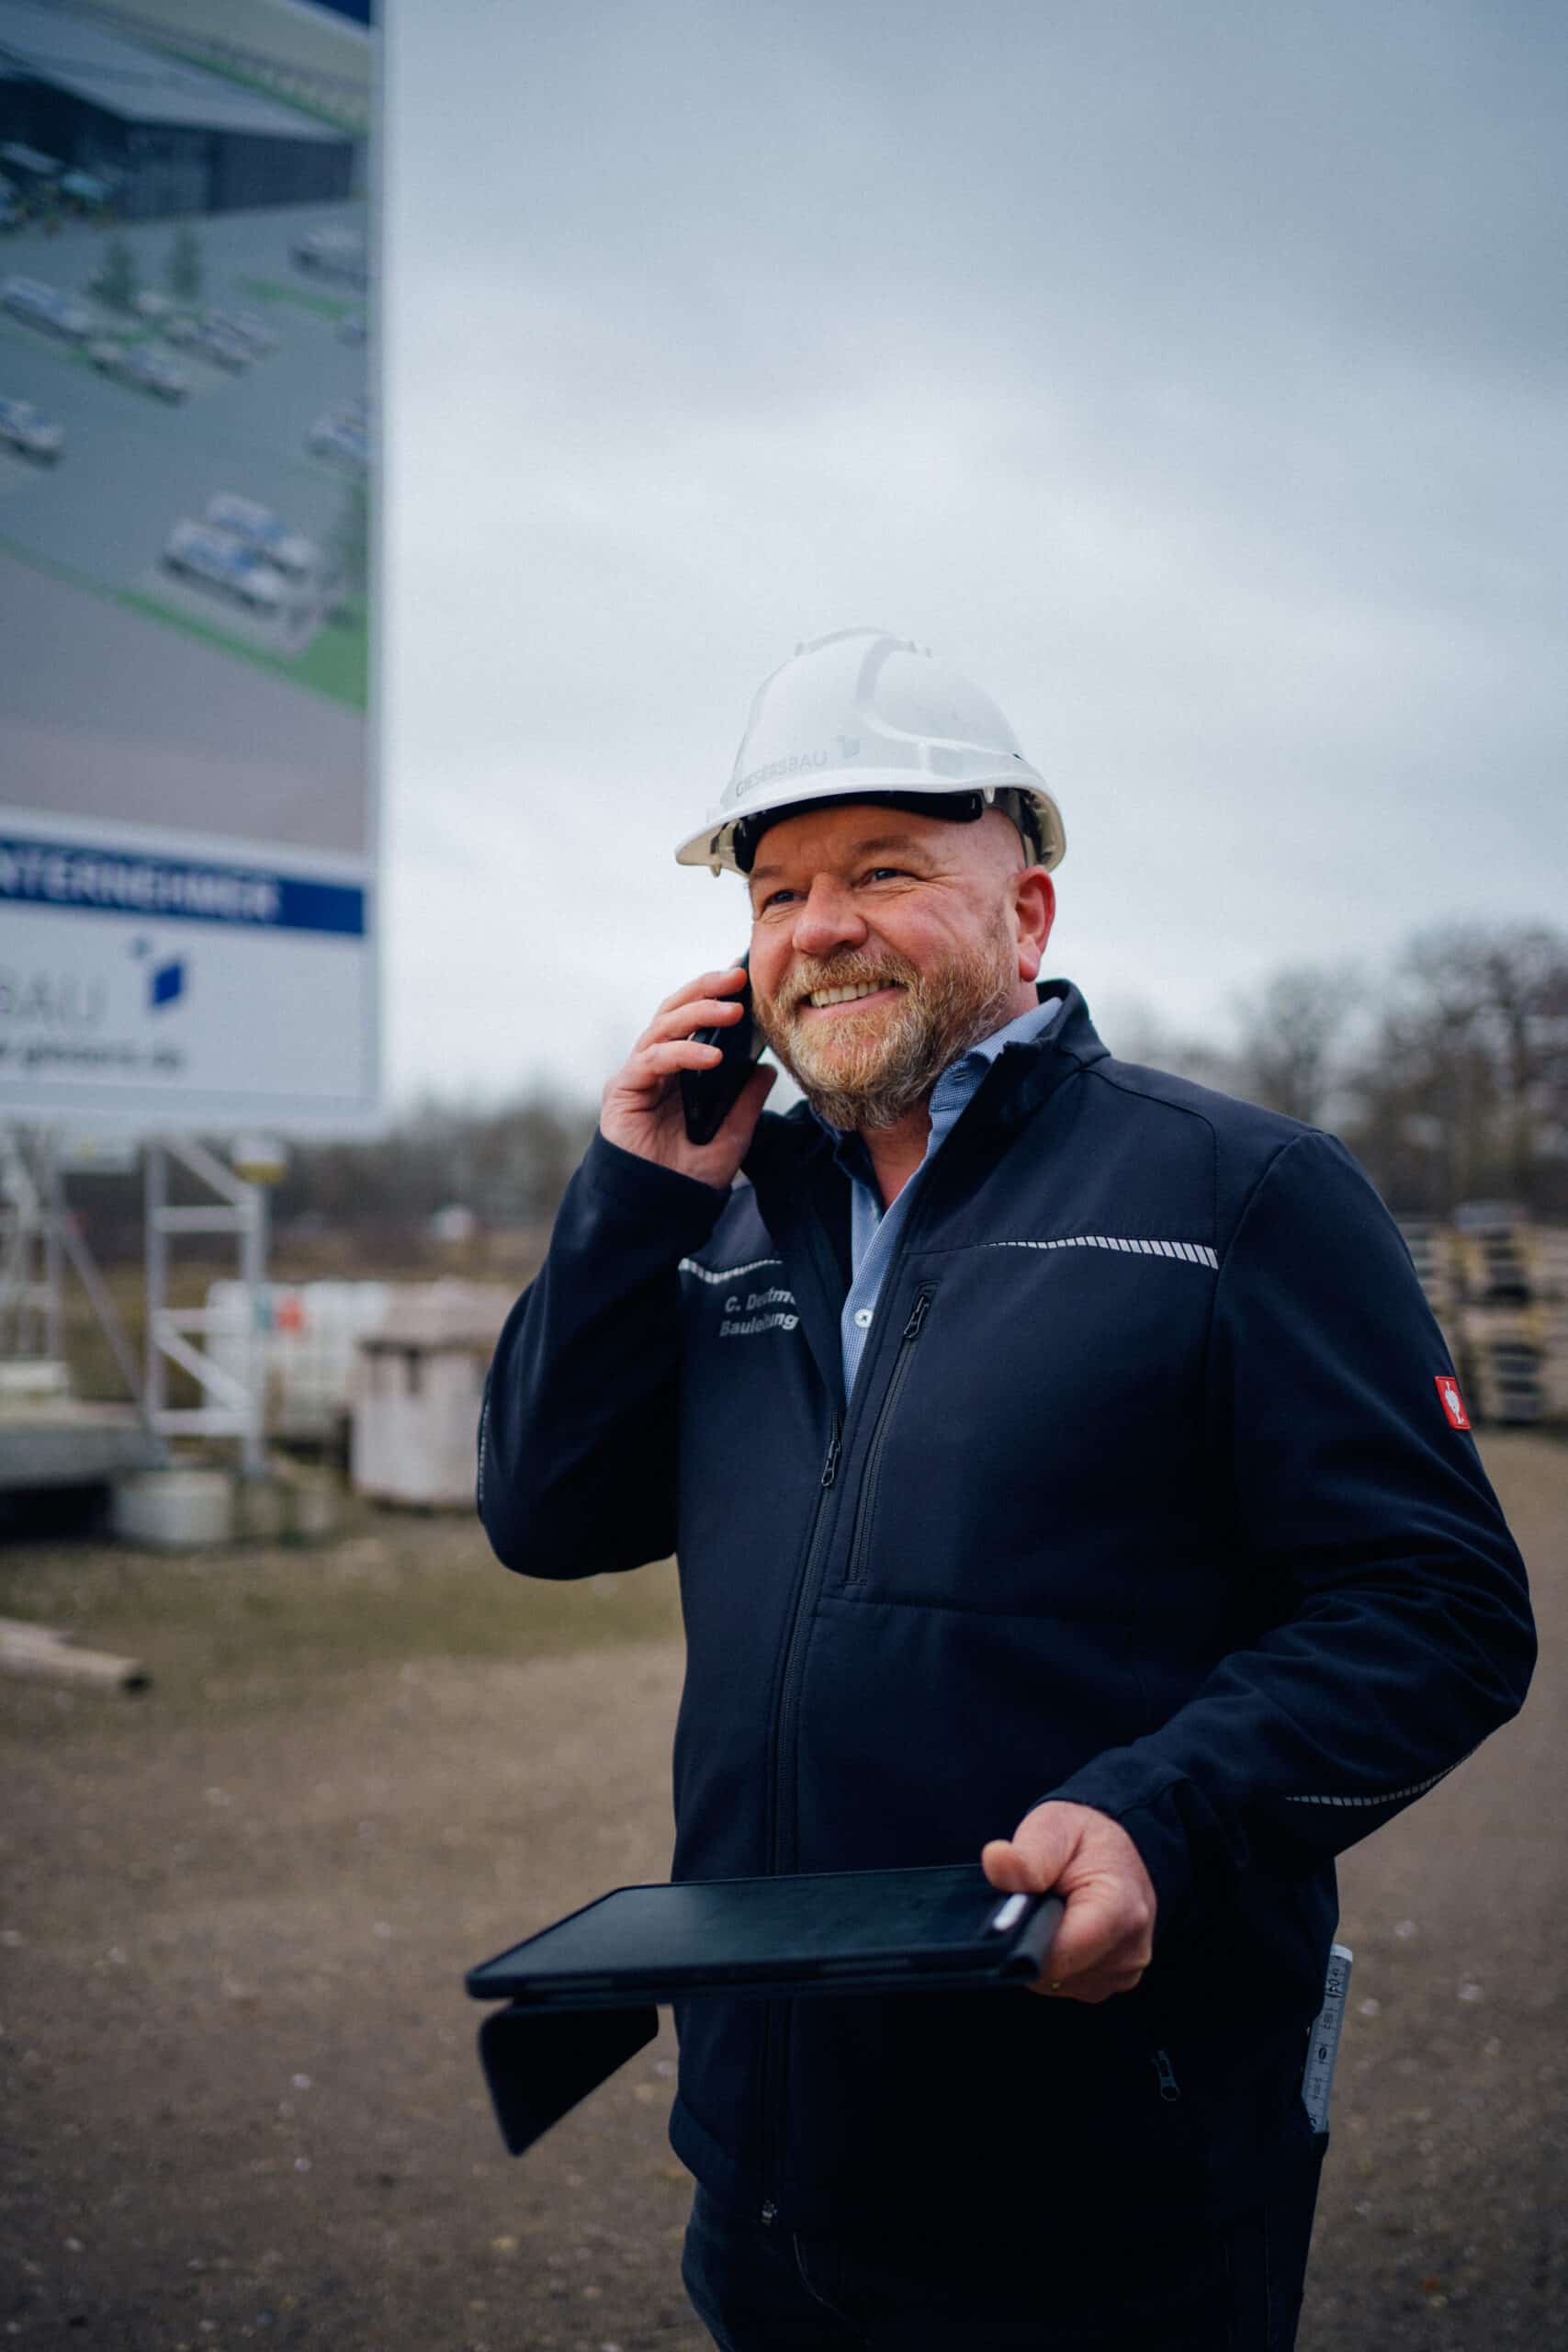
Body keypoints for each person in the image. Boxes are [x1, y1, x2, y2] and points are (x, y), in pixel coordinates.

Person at [479, 629, 1534, 2349]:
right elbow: (545, 1517)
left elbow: (1440, 1609)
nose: (820, 926)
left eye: (885, 871)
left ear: (1027, 914)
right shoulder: (728, 1221)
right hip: (768, 2163)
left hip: (1108, 2167)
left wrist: (1160, 1818)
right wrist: (627, 1203)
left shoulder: (1236, 1193)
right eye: (779, 892)